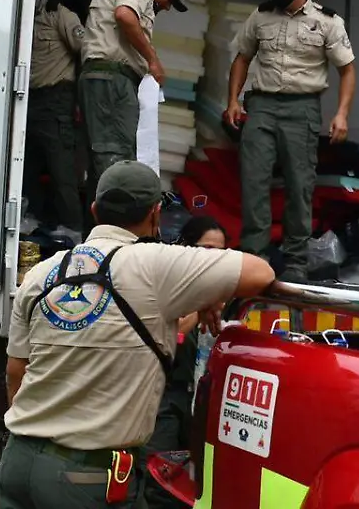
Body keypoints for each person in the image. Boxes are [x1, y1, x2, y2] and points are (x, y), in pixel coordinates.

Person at [0, 161, 275, 509]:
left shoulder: (42, 273)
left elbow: (15, 374)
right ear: (156, 214)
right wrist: (209, 291)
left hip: (17, 462)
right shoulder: (156, 264)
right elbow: (260, 273)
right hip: (87, 478)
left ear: (95, 209)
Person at [224, 0, 357, 283]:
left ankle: (296, 262)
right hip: (263, 106)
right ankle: (254, 257)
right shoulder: (261, 16)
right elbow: (242, 58)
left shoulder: (327, 22)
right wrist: (233, 100)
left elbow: (347, 70)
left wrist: (341, 114)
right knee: (254, 181)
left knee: (300, 186)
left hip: (302, 110)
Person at [79, 0, 188, 191]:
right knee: (115, 157)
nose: (168, 7)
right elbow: (124, 15)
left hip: (110, 78)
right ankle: (116, 222)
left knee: (107, 158)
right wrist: (153, 60)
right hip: (111, 78)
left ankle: (100, 222)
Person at [144, 215, 228, 509]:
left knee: (189, 478)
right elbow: (174, 332)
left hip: (196, 399)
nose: (213, 260)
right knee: (158, 478)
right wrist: (200, 304)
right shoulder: (169, 286)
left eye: (221, 253)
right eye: (206, 249)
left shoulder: (222, 293)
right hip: (163, 397)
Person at [25, 0, 85, 244]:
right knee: (26, 166)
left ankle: (73, 227)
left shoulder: (60, 15)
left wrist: (81, 99)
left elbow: (86, 50)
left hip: (57, 97)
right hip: (29, 100)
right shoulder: (22, 19)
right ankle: (31, 218)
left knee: (61, 166)